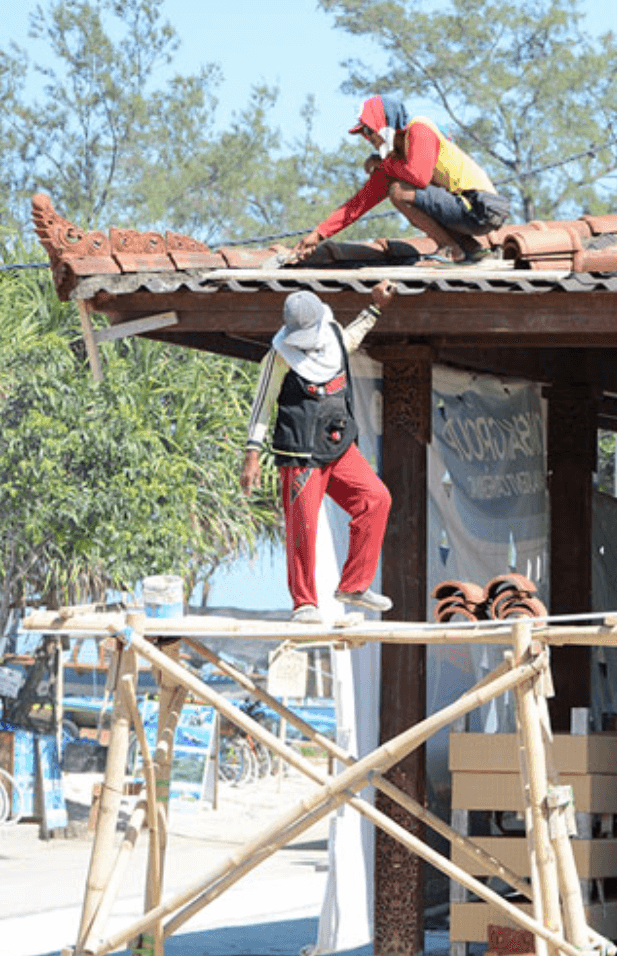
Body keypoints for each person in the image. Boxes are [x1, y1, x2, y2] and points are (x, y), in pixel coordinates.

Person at [241, 281, 398, 624]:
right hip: (299, 452)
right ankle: (304, 604)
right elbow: (261, 403)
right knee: (304, 526)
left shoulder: (333, 336)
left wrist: (374, 308)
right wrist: (252, 454)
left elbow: (352, 339)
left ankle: (354, 586)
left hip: (337, 445)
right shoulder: (279, 356)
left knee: (376, 499)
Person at [292, 95, 511, 265]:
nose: (368, 139)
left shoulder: (419, 129)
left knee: (399, 192)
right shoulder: (396, 162)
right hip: (469, 210)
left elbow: (419, 176)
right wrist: (319, 234)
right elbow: (358, 205)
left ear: (385, 124)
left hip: (480, 207)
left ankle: (449, 249)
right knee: (399, 188)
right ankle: (471, 249)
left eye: (369, 131)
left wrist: (380, 164)